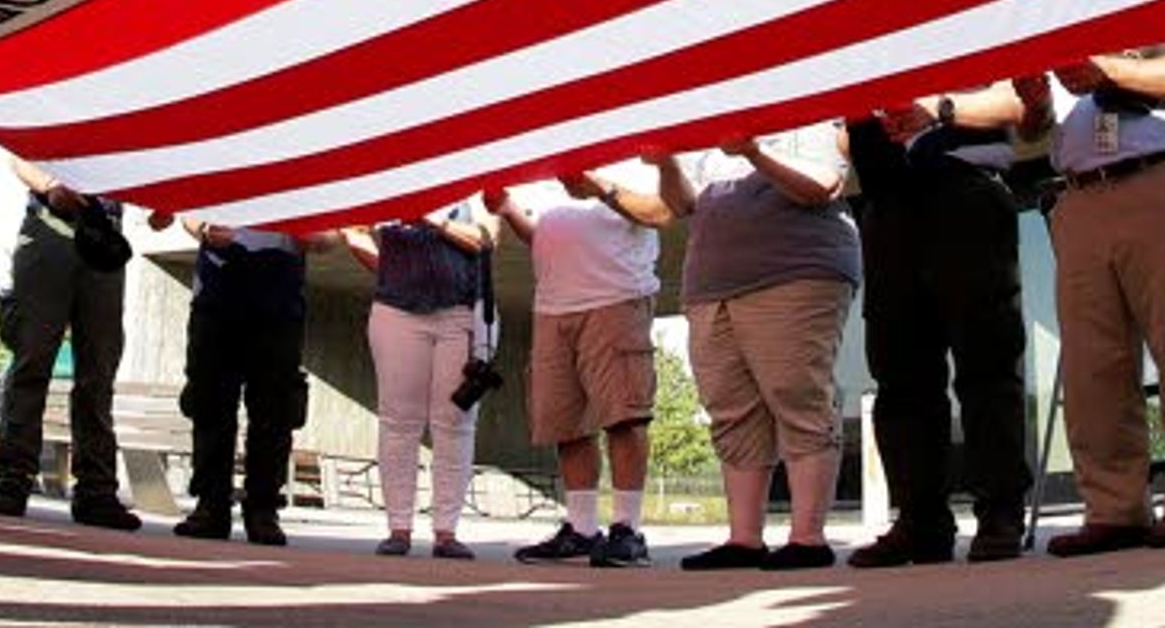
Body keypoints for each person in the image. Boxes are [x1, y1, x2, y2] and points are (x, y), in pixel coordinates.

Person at [1020, 47, 1165, 557]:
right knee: (1092, 367)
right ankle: (1115, 509)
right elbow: (1035, 128)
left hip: (1161, 173)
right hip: (1080, 192)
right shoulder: (1056, 17)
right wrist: (1036, 100)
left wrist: (1108, 70)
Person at [840, 93, 1031, 565]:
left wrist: (939, 110)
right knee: (899, 375)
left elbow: (1020, 103)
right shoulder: (862, 43)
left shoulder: (974, 23)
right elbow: (843, 141)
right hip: (887, 202)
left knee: (987, 362)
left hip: (966, 191)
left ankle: (1000, 513)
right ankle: (920, 521)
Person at [656, 128, 857, 571]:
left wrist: (754, 152)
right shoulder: (707, 131)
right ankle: (744, 538)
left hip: (796, 271)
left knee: (796, 394)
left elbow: (822, 185)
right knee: (731, 410)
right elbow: (682, 204)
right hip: (712, 283)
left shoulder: (807, 116)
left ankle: (808, 537)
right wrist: (667, 162)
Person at [490, 163, 672, 568]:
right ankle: (582, 530)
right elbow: (542, 238)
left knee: (624, 415)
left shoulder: (634, 156)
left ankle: (628, 530)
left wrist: (598, 185)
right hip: (554, 306)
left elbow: (660, 213)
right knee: (565, 423)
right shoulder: (547, 168)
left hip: (617, 296)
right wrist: (507, 208)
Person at [0, 166, 144, 529]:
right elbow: (20, 150)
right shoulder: (52, 105)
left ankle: (96, 490)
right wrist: (48, 185)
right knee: (32, 358)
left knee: (99, 370)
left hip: (103, 236)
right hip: (48, 225)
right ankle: (12, 477)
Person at [350, 199, 498, 560]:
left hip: (460, 312)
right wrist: (392, 271)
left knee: (455, 421)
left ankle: (446, 530)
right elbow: (353, 231)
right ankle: (398, 528)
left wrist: (433, 221)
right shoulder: (389, 178)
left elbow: (487, 239)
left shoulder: (474, 185)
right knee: (399, 420)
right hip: (397, 310)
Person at [172, 217, 311, 547]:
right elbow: (188, 209)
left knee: (274, 411)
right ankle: (210, 504)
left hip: (279, 294)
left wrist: (315, 235)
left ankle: (263, 509)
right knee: (210, 403)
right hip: (218, 287)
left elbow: (331, 234)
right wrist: (203, 230)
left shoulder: (300, 171)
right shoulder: (215, 164)